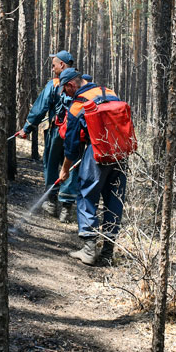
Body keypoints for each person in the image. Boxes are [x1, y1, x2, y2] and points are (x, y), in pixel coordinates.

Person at [59, 68, 127, 266]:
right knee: (114, 200)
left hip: (97, 152)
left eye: (65, 90)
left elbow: (71, 146)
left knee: (87, 195)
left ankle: (89, 250)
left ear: (71, 85)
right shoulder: (110, 92)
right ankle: (107, 252)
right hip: (120, 153)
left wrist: (65, 169)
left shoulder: (78, 104)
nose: (65, 94)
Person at [15, 50, 77, 222]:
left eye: (54, 65)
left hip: (57, 132)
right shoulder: (80, 82)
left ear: (62, 65)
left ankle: (51, 203)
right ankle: (66, 208)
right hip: (76, 134)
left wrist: (26, 128)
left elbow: (39, 108)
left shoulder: (54, 84)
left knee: (50, 164)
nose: (52, 68)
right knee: (70, 166)